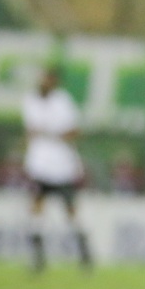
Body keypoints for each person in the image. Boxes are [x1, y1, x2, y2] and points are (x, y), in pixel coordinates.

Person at [22, 67, 92, 272]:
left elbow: (73, 131)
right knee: (36, 208)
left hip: (62, 167)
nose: (43, 82)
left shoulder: (63, 102)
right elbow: (30, 131)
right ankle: (38, 257)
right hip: (39, 165)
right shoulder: (30, 101)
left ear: (54, 81)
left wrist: (51, 133)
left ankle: (84, 253)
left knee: (71, 212)